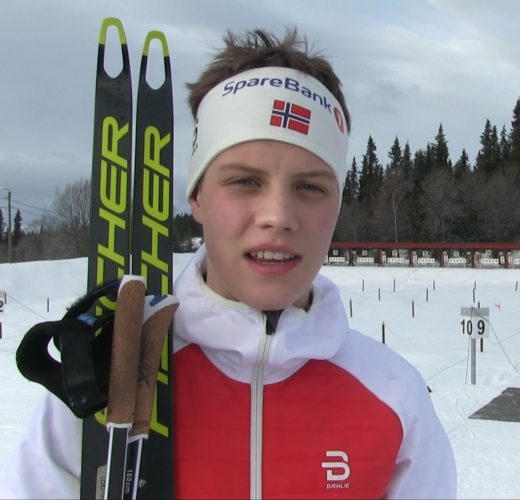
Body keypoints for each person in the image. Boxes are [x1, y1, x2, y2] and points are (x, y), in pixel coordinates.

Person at [0, 27, 457, 498]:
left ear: (337, 205)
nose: (278, 216)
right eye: (244, 181)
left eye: (310, 187)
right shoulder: (105, 378)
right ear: (197, 195)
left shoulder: (394, 397)